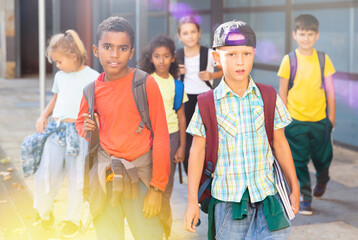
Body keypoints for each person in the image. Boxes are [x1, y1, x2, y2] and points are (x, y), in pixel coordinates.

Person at [184, 20, 300, 239]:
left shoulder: (268, 96)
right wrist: (192, 202)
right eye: (231, 54)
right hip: (229, 204)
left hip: (269, 202)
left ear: (254, 54)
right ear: (217, 58)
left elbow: (280, 143)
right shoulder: (207, 103)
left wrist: (294, 186)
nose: (240, 61)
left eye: (246, 54)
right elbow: (197, 153)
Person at [75, 17, 170, 240]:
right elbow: (81, 122)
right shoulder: (91, 90)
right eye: (108, 47)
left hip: (142, 177)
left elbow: (162, 138)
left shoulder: (145, 83)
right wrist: (87, 127)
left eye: (122, 48)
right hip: (105, 175)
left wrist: (157, 189)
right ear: (96, 50)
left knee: (149, 234)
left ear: (131, 52)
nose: (114, 54)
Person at [24, 30, 99, 238]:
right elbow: (56, 99)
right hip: (56, 131)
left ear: (73, 57)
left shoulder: (93, 77)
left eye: (59, 61)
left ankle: (73, 220)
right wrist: (43, 116)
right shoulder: (60, 76)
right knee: (45, 174)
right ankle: (44, 212)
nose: (57, 66)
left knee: (77, 179)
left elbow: (98, 107)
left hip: (80, 133)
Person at [278, 14, 336, 216]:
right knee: (298, 161)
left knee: (324, 158)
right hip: (296, 121)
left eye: (310, 34)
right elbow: (283, 93)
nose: (306, 38)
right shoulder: (289, 60)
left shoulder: (323, 59)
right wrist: (283, 120)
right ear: (295, 35)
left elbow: (330, 91)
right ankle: (305, 197)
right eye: (302, 34)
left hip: (320, 120)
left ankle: (322, 178)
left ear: (317, 35)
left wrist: (331, 118)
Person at [139, 34, 188, 198]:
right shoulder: (145, 81)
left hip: (171, 137)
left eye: (166, 56)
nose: (161, 61)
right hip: (148, 136)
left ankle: (164, 217)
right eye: (157, 56)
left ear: (173, 58)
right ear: (151, 59)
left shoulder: (177, 85)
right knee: (147, 176)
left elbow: (181, 117)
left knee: (166, 180)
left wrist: (181, 146)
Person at [176, 16, 223, 175]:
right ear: (179, 36)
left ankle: (208, 176)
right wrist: (175, 72)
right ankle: (192, 177)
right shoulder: (176, 55)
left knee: (207, 140)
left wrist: (212, 75)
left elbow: (225, 71)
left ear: (199, 33)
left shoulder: (209, 53)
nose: (190, 36)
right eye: (185, 33)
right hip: (185, 100)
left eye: (193, 32)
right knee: (188, 139)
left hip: (205, 98)